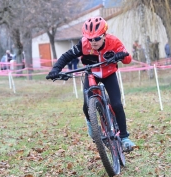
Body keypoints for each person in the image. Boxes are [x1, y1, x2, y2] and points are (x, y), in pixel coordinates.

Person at [46, 16, 136, 150]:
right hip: (91, 73)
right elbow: (67, 56)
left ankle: (124, 138)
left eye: (97, 38)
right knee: (86, 105)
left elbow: (128, 59)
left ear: (104, 35)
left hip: (109, 74)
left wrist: (121, 55)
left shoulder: (114, 42)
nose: (93, 42)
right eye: (90, 39)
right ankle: (92, 125)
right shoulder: (83, 44)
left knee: (116, 104)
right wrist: (56, 69)